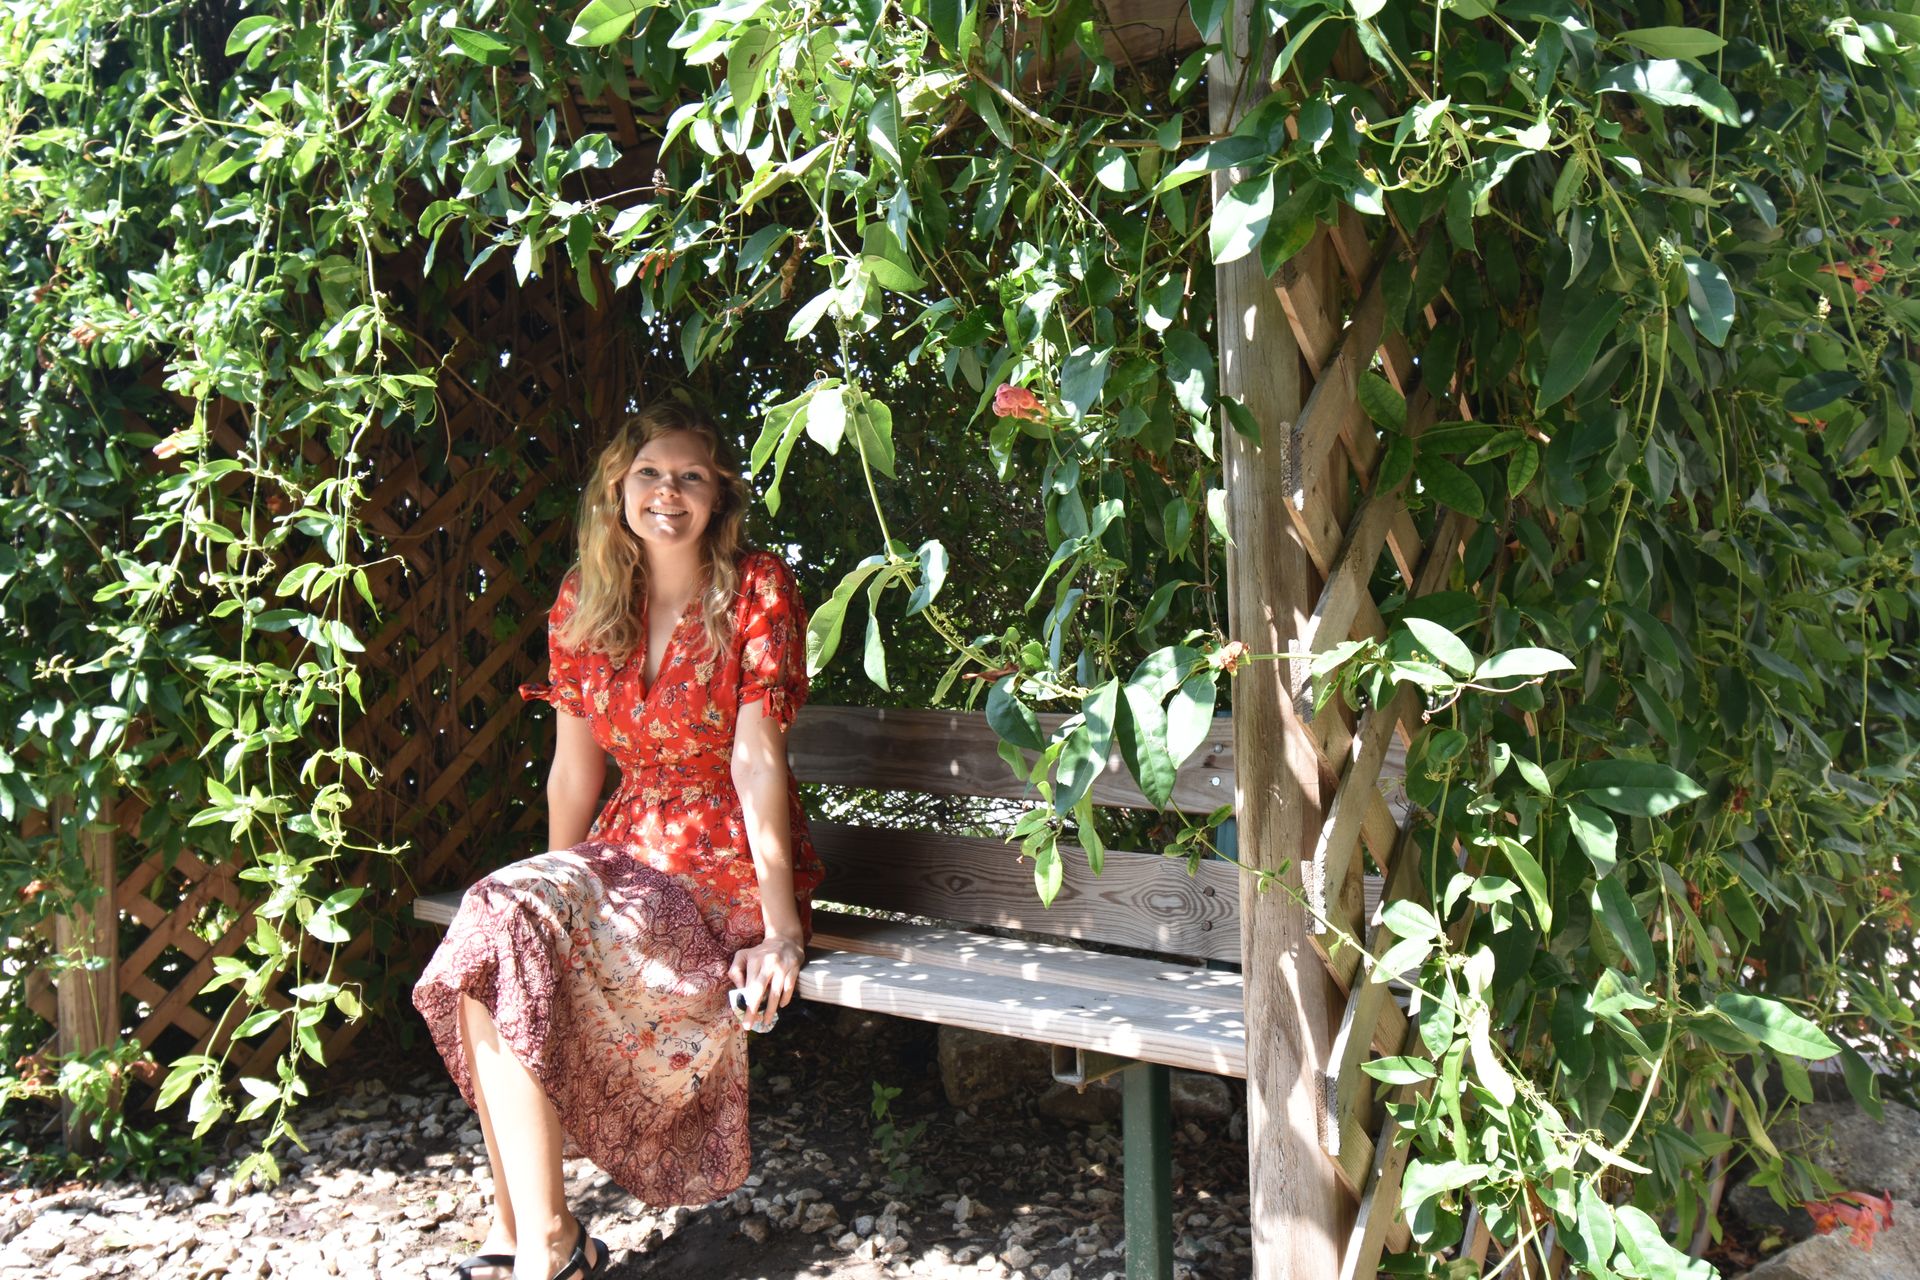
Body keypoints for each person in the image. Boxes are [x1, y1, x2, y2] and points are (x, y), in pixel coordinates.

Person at [412, 400, 823, 1280]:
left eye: (690, 476)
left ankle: (537, 1240)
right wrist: (550, 889)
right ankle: (535, 1232)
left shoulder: (755, 587)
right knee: (499, 933)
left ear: (719, 497)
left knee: (509, 930)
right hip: (620, 858)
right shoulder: (585, 599)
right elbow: (572, 771)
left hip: (718, 863)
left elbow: (756, 762)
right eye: (649, 474)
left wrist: (782, 928)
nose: (666, 492)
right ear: (617, 486)